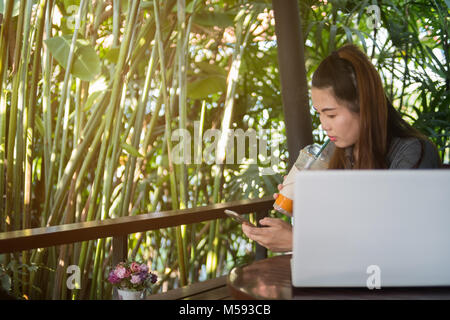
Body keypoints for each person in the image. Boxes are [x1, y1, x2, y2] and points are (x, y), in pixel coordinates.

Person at [242, 44, 442, 252]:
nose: (324, 124)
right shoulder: (342, 154)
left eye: (331, 115)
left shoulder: (414, 153)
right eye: (319, 113)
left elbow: (393, 241)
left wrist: (300, 241)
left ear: (364, 107)